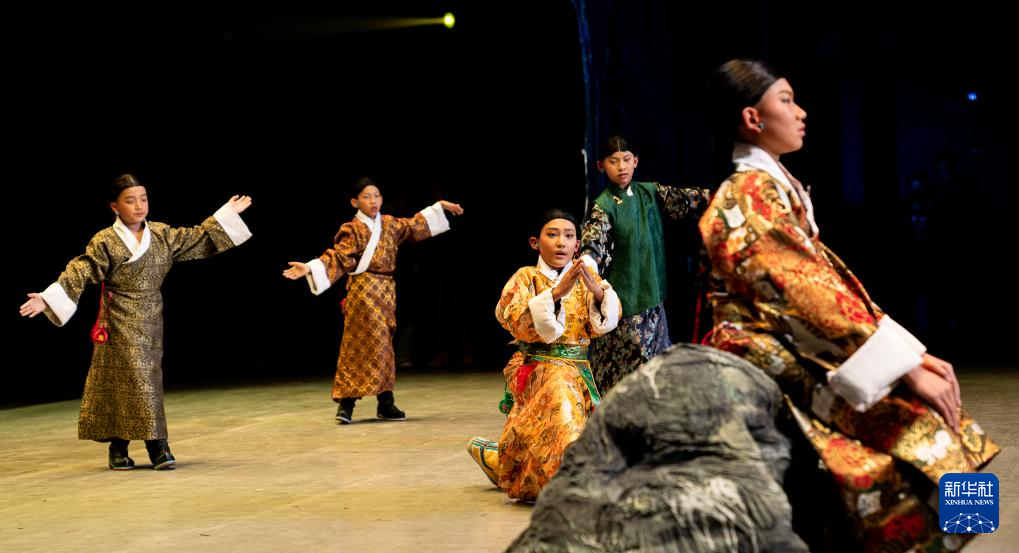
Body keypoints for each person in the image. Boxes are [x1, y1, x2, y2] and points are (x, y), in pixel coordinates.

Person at [699, 59, 998, 551]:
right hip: (772, 355)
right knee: (934, 438)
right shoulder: (747, 196)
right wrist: (907, 368)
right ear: (753, 118)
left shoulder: (771, 187)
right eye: (787, 100)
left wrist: (914, 356)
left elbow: (826, 284)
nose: (801, 113)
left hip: (803, 344)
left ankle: (961, 533)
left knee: (951, 433)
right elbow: (807, 294)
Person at [19, 173, 253, 471]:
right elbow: (82, 269)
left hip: (150, 317)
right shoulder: (105, 240)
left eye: (143, 199)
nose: (139, 206)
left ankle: (120, 446)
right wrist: (47, 298)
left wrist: (228, 214)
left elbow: (198, 237)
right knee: (132, 379)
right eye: (130, 201)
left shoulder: (162, 234)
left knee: (141, 379)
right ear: (114, 207)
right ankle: (156, 445)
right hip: (117, 319)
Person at [467, 209, 620, 501]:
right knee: (561, 422)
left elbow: (603, 323)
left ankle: (502, 459)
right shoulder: (526, 277)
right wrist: (555, 294)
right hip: (541, 368)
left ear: (577, 245)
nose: (561, 242)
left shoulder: (587, 279)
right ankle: (566, 482)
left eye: (569, 236)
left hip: (578, 371)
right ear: (535, 242)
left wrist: (599, 293)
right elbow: (514, 317)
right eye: (552, 235)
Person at [283, 177, 463, 424]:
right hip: (362, 291)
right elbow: (339, 256)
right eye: (367, 196)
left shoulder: (389, 223)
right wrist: (311, 267)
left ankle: (385, 401)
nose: (373, 201)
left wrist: (439, 207)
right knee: (356, 345)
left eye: (376, 195)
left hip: (386, 291)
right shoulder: (352, 229)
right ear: (355, 202)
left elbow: (413, 225)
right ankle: (347, 403)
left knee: (384, 345)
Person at [579, 135, 709, 392]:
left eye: (626, 159)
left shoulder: (651, 193)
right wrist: (587, 262)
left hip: (653, 297)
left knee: (657, 368)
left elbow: (687, 198)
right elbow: (593, 243)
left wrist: (721, 196)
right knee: (626, 371)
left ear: (635, 161)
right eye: (613, 161)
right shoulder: (603, 206)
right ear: (601, 166)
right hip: (624, 304)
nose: (621, 167)